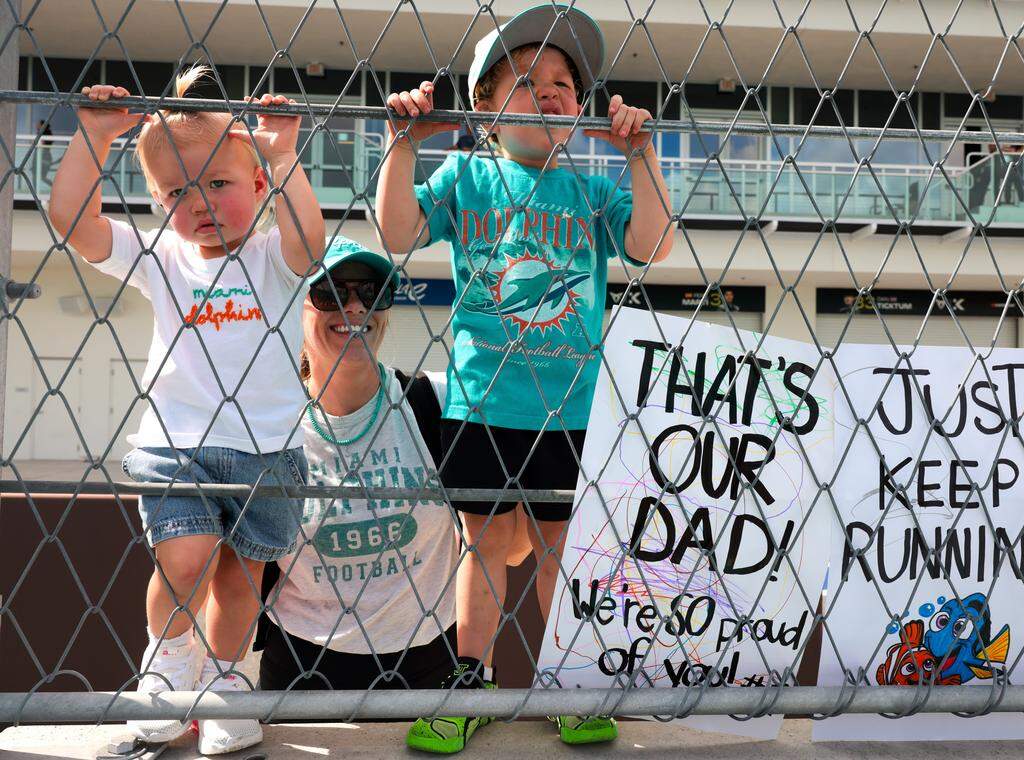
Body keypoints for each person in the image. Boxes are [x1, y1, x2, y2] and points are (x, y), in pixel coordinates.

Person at [376, 3, 675, 752]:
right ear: (483, 108)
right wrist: (402, 146)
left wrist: (639, 153)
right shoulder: (469, 175)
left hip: (571, 406)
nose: (547, 93)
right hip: (481, 397)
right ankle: (469, 678)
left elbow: (655, 244)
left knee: (561, 548)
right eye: (524, 81)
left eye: (563, 85)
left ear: (582, 111)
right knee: (478, 546)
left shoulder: (592, 188)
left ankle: (568, 678)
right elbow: (397, 233)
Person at [47, 66, 325, 755]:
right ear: (155, 201)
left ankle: (228, 681)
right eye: (177, 190)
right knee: (185, 559)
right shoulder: (163, 257)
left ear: (259, 186)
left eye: (219, 184)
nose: (198, 202)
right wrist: (92, 139)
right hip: (180, 444)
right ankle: (167, 671)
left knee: (241, 580)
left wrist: (284, 153)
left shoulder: (272, 258)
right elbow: (71, 224)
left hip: (268, 450)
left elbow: (311, 242)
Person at [257, 236, 460, 695]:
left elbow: (507, 546)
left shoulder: (437, 404)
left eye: (371, 293)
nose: (353, 308)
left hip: (431, 655)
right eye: (330, 291)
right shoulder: (266, 424)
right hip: (303, 662)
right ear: (295, 308)